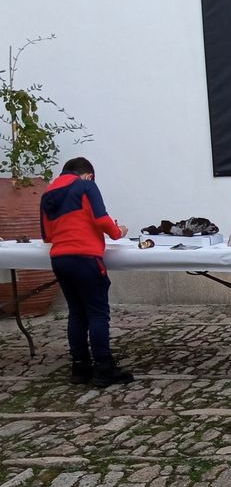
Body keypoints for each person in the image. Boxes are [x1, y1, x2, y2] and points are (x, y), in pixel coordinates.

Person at [40, 157, 133, 388]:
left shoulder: (47, 194)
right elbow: (101, 220)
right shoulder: (86, 186)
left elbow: (47, 236)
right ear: (89, 175)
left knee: (76, 312)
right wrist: (118, 231)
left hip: (60, 259)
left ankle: (80, 367)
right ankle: (103, 368)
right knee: (97, 313)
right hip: (85, 258)